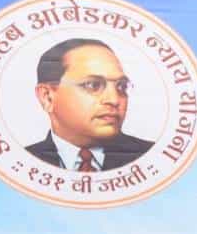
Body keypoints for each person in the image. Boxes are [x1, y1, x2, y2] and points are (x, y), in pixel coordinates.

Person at [28, 38, 154, 172]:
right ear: (47, 97)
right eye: (93, 85)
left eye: (121, 86)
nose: (114, 100)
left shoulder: (153, 157)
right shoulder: (25, 162)